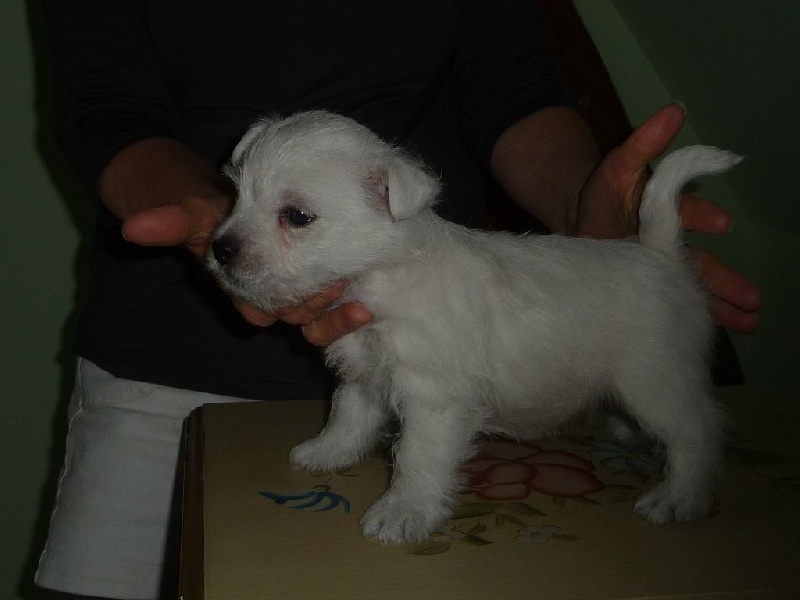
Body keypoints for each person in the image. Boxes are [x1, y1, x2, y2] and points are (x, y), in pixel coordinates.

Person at [36, 1, 762, 598]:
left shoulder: (422, 264)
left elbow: (509, 79)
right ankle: (348, 436)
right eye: (241, 194)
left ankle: (693, 461)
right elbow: (100, 98)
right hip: (157, 380)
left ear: (391, 201)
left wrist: (581, 199)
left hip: (605, 302)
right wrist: (345, 437)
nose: (234, 234)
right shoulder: (361, 267)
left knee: (642, 397)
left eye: (295, 216)